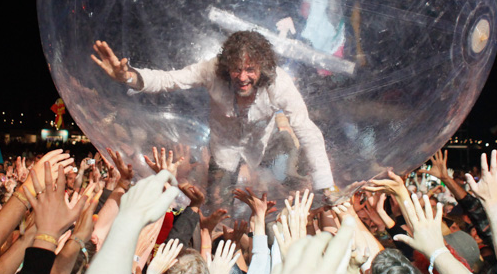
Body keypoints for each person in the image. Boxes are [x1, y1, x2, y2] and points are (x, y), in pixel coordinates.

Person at [92, 31, 336, 204]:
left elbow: (307, 131)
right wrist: (128, 77)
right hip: (224, 149)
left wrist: (326, 185)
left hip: (267, 145)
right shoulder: (211, 70)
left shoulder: (278, 83)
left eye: (250, 70)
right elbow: (169, 79)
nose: (242, 77)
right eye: (236, 69)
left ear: (262, 69)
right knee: (218, 205)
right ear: (226, 66)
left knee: (296, 179)